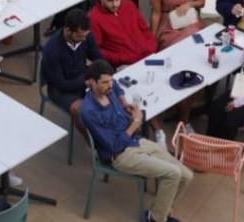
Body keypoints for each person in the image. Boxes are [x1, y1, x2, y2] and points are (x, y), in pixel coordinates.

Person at [79, 59, 194, 222]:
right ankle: (155, 218)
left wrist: (124, 102)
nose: (110, 85)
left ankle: (162, 213)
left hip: (135, 141)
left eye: (110, 81)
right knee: (173, 173)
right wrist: (136, 122)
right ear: (92, 82)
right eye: (105, 82)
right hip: (119, 155)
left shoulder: (109, 89)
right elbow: (114, 146)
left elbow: (116, 85)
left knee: (187, 175)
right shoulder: (89, 111)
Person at [41, 8, 104, 112]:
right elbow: (61, 84)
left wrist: (101, 72)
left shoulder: (86, 36)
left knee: (109, 90)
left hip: (82, 77)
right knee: (82, 110)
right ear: (67, 30)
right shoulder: (52, 50)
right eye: (80, 36)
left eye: (85, 35)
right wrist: (87, 82)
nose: (84, 39)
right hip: (60, 89)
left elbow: (98, 58)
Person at [88, 0, 155, 69]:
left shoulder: (129, 5)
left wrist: (150, 45)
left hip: (148, 54)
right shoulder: (94, 18)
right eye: (110, 0)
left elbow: (144, 28)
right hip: (125, 64)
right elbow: (96, 49)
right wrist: (120, 58)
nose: (115, 4)